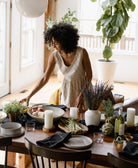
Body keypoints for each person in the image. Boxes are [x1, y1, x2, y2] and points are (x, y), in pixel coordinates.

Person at [21, 23, 93, 112]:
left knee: (84, 118)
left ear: (65, 42)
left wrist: (82, 95)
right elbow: (45, 78)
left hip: (84, 89)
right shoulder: (55, 55)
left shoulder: (82, 53)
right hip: (68, 91)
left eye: (56, 43)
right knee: (68, 117)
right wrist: (29, 96)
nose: (53, 46)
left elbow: (89, 76)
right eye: (53, 43)